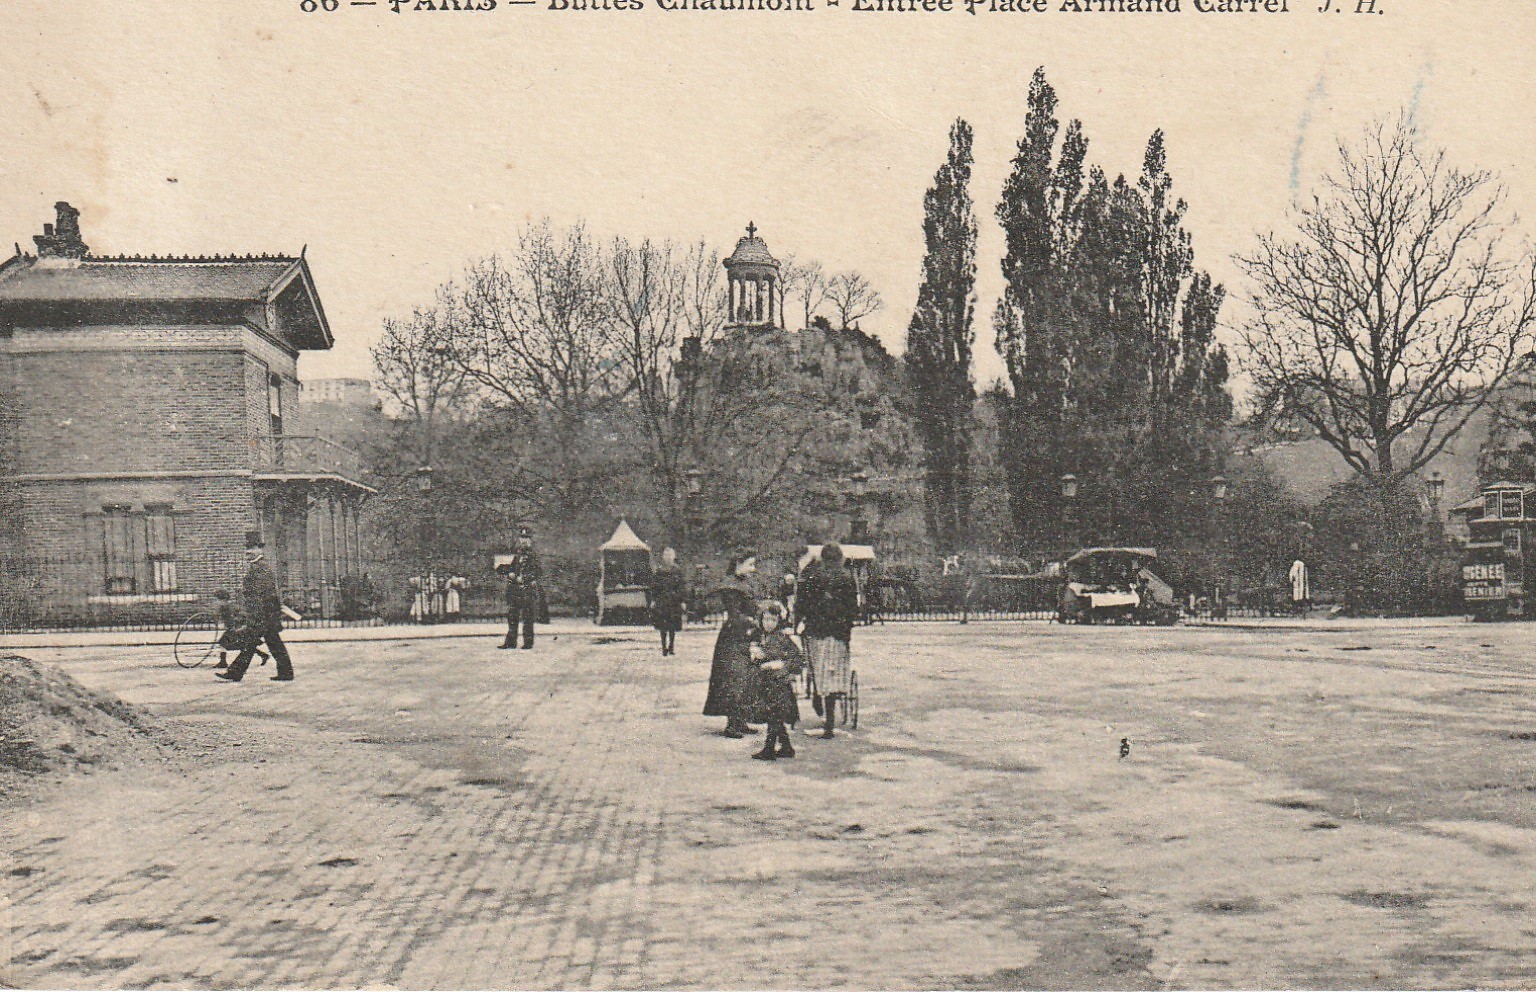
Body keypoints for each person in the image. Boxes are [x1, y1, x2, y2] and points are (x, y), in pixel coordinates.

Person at [797, 542, 860, 739]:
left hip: (817, 631)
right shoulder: (847, 578)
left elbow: (802, 604)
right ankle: (830, 724)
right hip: (839, 634)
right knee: (835, 672)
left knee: (818, 667)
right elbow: (853, 609)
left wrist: (799, 622)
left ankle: (817, 694)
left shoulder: (812, 577)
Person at [215, 532, 295, 683]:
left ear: (260, 550)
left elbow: (259, 595)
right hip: (264, 614)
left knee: (255, 642)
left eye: (252, 548)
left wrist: (253, 616)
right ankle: (285, 672)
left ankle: (235, 672)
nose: (248, 552)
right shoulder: (257, 567)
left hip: (263, 614)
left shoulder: (261, 568)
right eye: (247, 549)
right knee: (268, 642)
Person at [703, 552, 760, 738]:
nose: (753, 569)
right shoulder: (731, 586)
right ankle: (732, 724)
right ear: (738, 563)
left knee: (747, 677)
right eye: (750, 564)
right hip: (733, 637)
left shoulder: (742, 583)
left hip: (745, 635)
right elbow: (735, 615)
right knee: (734, 679)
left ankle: (741, 720)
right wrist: (751, 621)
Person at [749, 601, 804, 761]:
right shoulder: (758, 636)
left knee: (774, 714)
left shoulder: (783, 638)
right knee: (773, 715)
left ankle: (769, 748)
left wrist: (782, 665)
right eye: (766, 619)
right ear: (761, 620)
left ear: (778, 621)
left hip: (779, 683)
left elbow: (798, 659)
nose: (769, 623)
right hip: (764, 682)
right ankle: (786, 747)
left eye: (773, 620)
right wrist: (753, 654)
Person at [496, 527, 546, 649]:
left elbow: (538, 572)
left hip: (527, 590)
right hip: (516, 591)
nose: (524, 541)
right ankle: (511, 642)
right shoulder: (518, 554)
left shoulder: (534, 555)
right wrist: (509, 572)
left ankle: (528, 642)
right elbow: (513, 568)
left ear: (530, 540)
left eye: (526, 538)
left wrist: (524, 579)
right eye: (522, 538)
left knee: (528, 617)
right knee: (512, 616)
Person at [213, 588, 266, 670]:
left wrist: (238, 626)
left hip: (237, 629)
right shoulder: (223, 607)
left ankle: (223, 662)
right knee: (242, 645)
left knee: (224, 643)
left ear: (222, 599)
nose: (216, 602)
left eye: (217, 599)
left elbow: (241, 616)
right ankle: (263, 655)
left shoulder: (231, 606)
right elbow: (221, 618)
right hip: (232, 629)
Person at [650, 547, 686, 657]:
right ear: (663, 557)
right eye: (666, 555)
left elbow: (681, 587)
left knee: (672, 625)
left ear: (674, 557)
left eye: (670, 555)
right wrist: (653, 600)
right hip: (662, 600)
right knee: (663, 625)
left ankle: (671, 646)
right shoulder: (659, 571)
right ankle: (664, 647)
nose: (668, 557)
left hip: (674, 601)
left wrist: (683, 601)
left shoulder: (678, 571)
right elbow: (654, 587)